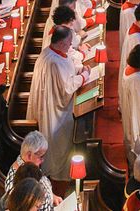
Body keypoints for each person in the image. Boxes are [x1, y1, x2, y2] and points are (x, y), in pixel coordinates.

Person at [26, 27, 91, 181]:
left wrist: (80, 69)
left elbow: (67, 68)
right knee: (59, 142)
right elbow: (66, 88)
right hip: (54, 109)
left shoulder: (53, 53)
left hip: (54, 101)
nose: (70, 45)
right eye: (69, 42)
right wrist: (84, 76)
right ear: (61, 42)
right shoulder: (52, 61)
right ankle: (58, 174)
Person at [5, 131, 60, 209]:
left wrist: (53, 196)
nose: (42, 160)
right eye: (41, 156)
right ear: (29, 155)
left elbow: (43, 184)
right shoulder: (16, 181)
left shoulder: (31, 166)